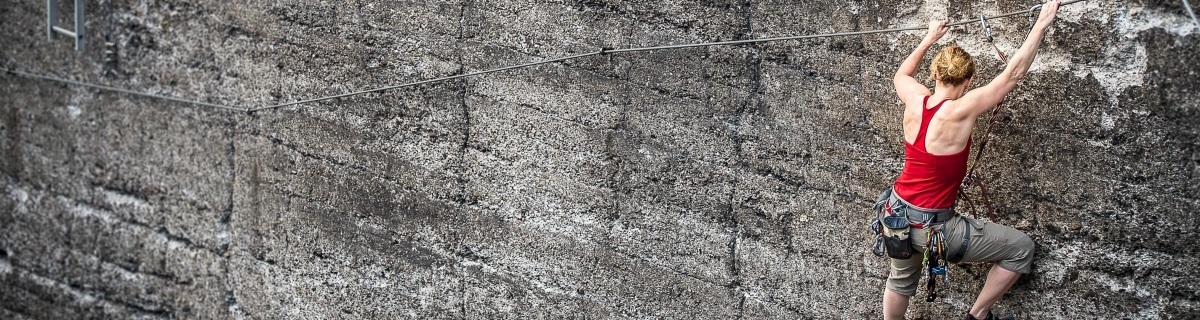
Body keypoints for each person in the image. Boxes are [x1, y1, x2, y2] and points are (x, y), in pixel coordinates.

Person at [882, 1, 1060, 320]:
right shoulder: (961, 110)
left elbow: (901, 74)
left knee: (899, 280)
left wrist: (928, 38)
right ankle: (977, 316)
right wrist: (1041, 24)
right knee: (1021, 248)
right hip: (935, 228)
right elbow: (1013, 73)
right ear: (968, 83)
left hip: (895, 213)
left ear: (934, 73)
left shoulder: (913, 96)